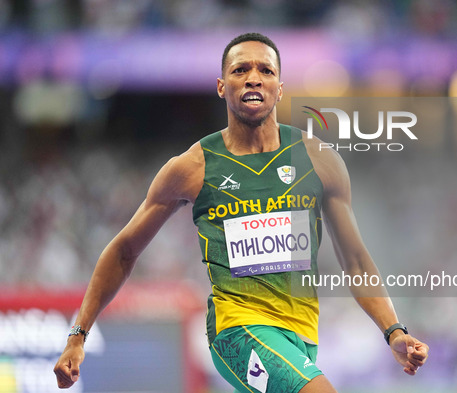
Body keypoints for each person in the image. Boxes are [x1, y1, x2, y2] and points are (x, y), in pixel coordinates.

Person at [54, 32, 429, 393]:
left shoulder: (320, 160)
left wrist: (393, 331)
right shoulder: (192, 167)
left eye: (266, 70)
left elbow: (357, 263)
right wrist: (78, 336)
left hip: (301, 337)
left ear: (280, 88)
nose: (253, 77)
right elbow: (124, 250)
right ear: (222, 86)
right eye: (240, 70)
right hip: (236, 331)